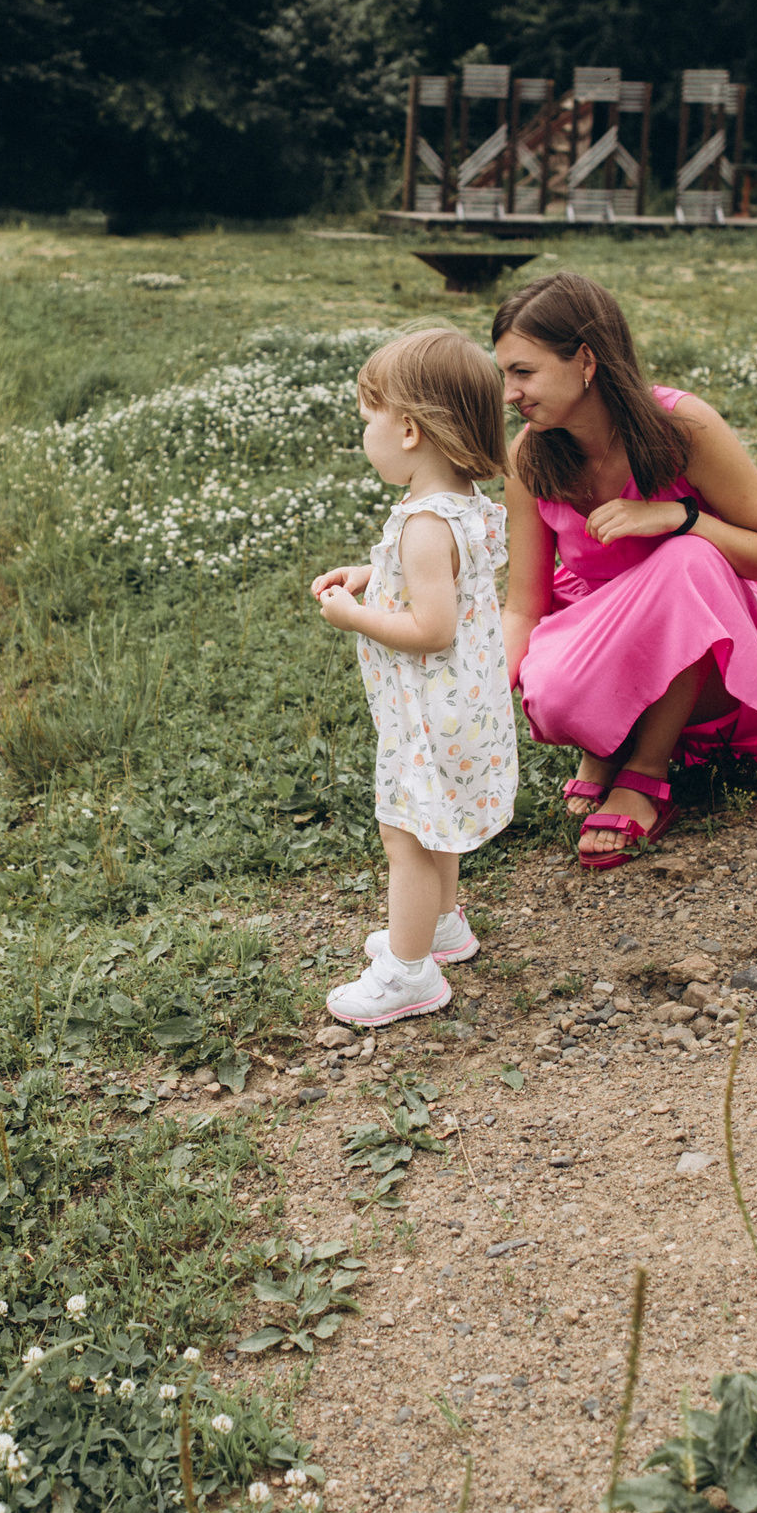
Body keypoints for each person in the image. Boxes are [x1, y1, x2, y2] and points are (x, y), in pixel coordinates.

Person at [494, 272, 757, 869]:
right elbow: (523, 606)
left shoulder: (682, 426)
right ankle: (605, 744)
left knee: (688, 558)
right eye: (505, 374)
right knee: (554, 696)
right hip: (605, 636)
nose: (511, 393)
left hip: (709, 660)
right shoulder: (529, 456)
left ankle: (644, 768)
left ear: (586, 361)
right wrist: (482, 696)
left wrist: (681, 517)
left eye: (524, 372)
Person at [308, 327, 516, 1026]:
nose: (362, 434)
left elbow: (432, 627)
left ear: (407, 430)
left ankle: (408, 972)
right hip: (462, 708)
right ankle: (443, 925)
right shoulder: (463, 503)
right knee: (437, 825)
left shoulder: (424, 525)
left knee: (406, 835)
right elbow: (439, 580)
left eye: (366, 419)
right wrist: (370, 575)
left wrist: (355, 616)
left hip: (428, 715)